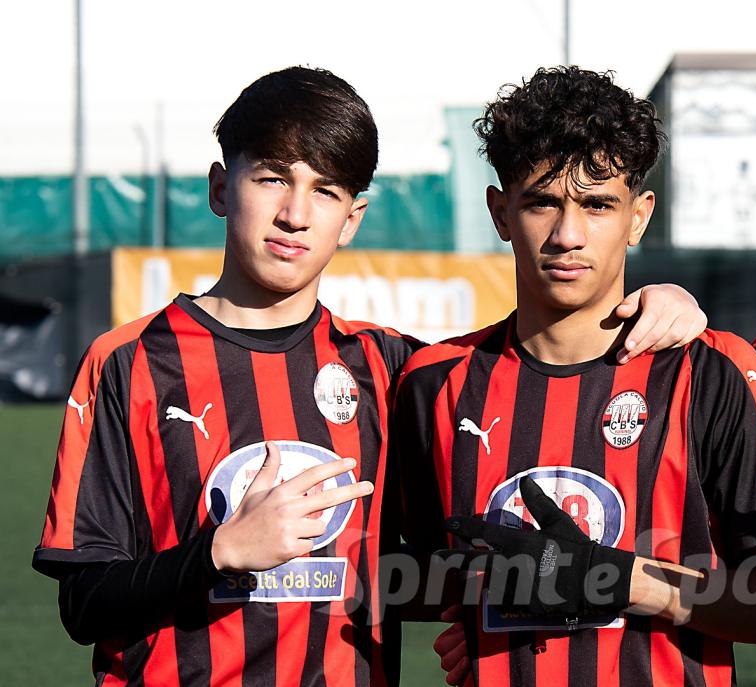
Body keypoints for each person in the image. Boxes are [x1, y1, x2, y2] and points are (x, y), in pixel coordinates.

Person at [32, 66, 709, 686]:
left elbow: (442, 557)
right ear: (219, 187)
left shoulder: (394, 371)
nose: (295, 214)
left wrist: (664, 302)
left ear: (351, 218)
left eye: (324, 191)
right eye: (272, 177)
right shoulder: (127, 363)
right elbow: (84, 602)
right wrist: (222, 550)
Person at [395, 66, 756, 687]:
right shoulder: (433, 384)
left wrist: (621, 581)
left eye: (597, 205)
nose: (568, 235)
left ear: (640, 216)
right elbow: (422, 578)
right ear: (499, 212)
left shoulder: (714, 373)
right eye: (543, 201)